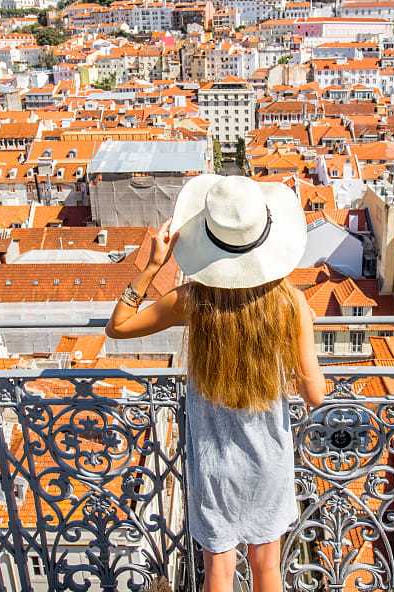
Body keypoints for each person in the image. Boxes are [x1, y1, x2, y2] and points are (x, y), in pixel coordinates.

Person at [106, 174, 325, 592]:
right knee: (268, 570)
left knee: (219, 573)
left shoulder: (193, 300)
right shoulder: (289, 303)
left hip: (212, 458)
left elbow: (119, 326)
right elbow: (315, 394)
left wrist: (152, 265)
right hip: (269, 458)